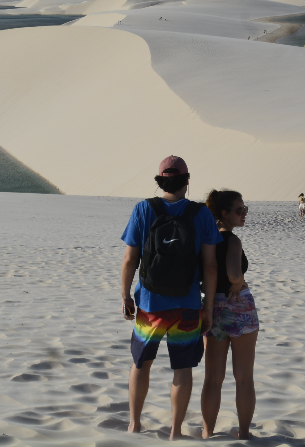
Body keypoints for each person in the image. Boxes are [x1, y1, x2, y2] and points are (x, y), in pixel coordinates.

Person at [120, 155, 220, 441]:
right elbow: (211, 267)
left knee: (141, 364)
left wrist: (126, 295)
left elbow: (130, 259)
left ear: (160, 180)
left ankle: (135, 424)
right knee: (182, 368)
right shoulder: (201, 215)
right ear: (187, 181)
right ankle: (175, 432)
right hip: (187, 306)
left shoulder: (143, 209)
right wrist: (208, 307)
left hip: (150, 306)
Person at [200, 190, 259, 440]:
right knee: (243, 377)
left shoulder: (207, 240)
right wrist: (240, 280)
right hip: (239, 309)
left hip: (213, 308)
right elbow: (234, 274)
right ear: (224, 214)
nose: (244, 214)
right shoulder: (232, 240)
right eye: (240, 210)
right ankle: (244, 434)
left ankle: (207, 432)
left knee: (213, 378)